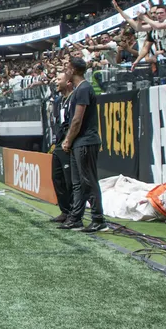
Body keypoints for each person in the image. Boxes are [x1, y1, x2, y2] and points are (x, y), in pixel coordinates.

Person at [58, 58, 108, 233]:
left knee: (88, 181)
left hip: (85, 141)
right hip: (79, 142)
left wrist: (68, 140)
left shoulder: (84, 89)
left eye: (67, 68)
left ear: (72, 70)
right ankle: (76, 218)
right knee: (78, 182)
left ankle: (98, 218)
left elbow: (77, 120)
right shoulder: (79, 90)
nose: (65, 70)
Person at [49, 72, 74, 224]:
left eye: (59, 79)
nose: (55, 81)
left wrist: (68, 141)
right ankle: (65, 211)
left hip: (68, 143)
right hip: (58, 144)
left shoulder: (74, 98)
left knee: (69, 180)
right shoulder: (59, 101)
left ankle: (73, 213)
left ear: (69, 82)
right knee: (57, 178)